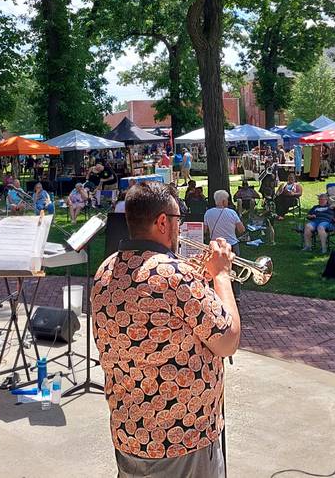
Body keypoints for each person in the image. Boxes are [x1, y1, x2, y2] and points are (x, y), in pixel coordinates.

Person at [92, 181, 239, 476]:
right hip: (184, 439)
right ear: (162, 222)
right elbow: (228, 339)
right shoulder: (175, 276)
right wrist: (221, 276)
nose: (179, 228)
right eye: (177, 220)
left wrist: (198, 279)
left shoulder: (105, 270)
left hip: (129, 433)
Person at [204, 190, 247, 300]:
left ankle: (216, 293)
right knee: (235, 271)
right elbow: (241, 229)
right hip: (231, 244)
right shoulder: (231, 213)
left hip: (215, 246)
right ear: (223, 201)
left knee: (215, 270)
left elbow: (205, 230)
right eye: (227, 199)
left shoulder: (208, 213)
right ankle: (236, 294)